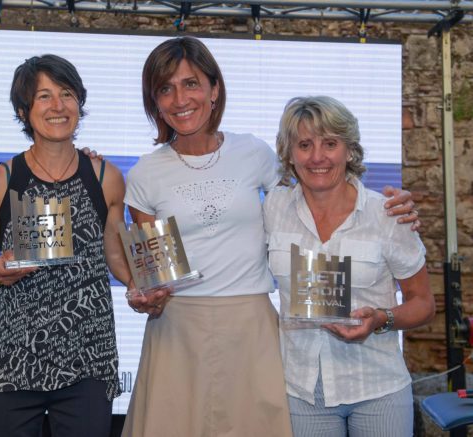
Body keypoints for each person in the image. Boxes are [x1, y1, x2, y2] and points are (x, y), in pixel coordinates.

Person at [122, 37, 417, 437]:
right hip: (178, 329)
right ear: (154, 102)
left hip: (252, 327)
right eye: (165, 89)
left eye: (191, 83)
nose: (180, 99)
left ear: (214, 89)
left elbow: (315, 191)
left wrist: (389, 205)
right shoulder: (145, 173)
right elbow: (153, 274)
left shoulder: (254, 153)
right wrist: (144, 298)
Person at [0, 54, 132, 437]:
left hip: (88, 357)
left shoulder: (106, 177)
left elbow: (115, 255)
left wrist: (144, 286)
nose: (58, 106)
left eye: (67, 94)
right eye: (44, 96)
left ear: (79, 102)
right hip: (12, 359)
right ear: (23, 112)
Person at [264, 95, 435, 437]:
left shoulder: (387, 214)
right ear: (289, 153)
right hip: (301, 391)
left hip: (377, 387)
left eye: (330, 144)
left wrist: (381, 319)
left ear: (350, 151)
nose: (317, 157)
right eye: (305, 145)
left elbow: (424, 304)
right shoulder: (273, 207)